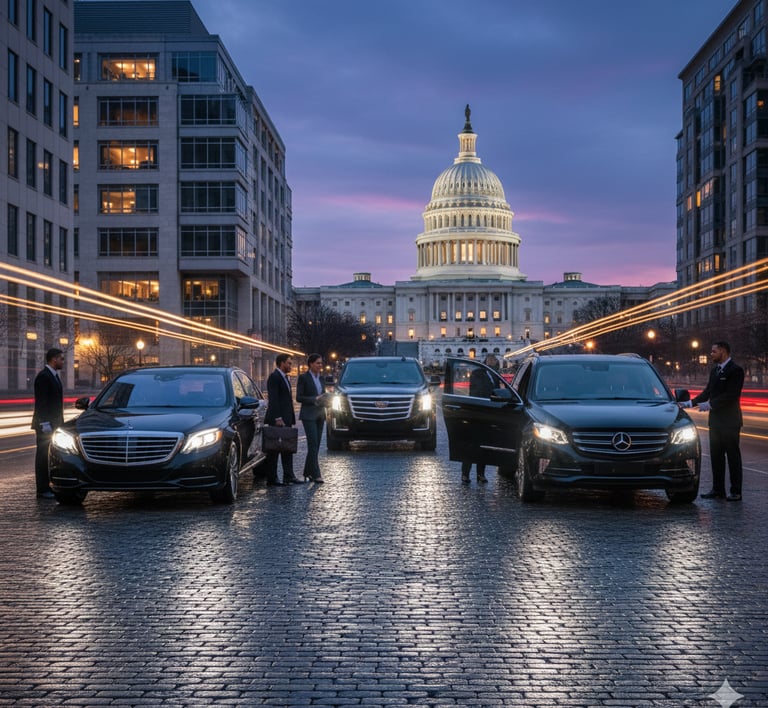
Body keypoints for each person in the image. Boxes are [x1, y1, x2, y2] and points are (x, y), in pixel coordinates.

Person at [683, 341, 744, 501]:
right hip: (715, 421)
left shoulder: (736, 371)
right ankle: (718, 490)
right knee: (716, 457)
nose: (711, 354)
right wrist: (689, 403)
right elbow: (708, 392)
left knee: (733, 457)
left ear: (723, 351)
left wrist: (710, 404)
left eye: (714, 351)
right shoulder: (715, 371)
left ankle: (736, 491)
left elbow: (732, 395)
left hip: (730, 422)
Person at [31, 348, 65, 499]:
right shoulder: (44, 377)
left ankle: (47, 486)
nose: (62, 361)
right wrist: (44, 423)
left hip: (53, 424)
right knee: (43, 456)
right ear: (54, 359)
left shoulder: (52, 376)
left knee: (49, 455)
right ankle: (42, 488)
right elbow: (42, 403)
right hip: (46, 425)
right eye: (61, 359)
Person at [264, 353, 302, 486]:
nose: (290, 365)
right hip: (277, 419)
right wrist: (278, 417)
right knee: (274, 450)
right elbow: (274, 399)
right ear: (281, 363)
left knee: (287, 447)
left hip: (285, 418)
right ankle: (272, 478)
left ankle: (288, 476)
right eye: (288, 363)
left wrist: (290, 417)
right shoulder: (274, 377)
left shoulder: (284, 377)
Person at [461, 354, 500, 484]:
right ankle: (465, 474)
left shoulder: (494, 374)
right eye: (493, 360)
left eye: (495, 360)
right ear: (487, 360)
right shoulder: (477, 373)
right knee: (471, 445)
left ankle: (480, 474)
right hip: (477, 412)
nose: (495, 362)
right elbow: (476, 391)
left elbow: (497, 390)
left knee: (484, 446)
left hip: (489, 413)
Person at [296, 353, 327, 483]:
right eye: (317, 363)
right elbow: (299, 397)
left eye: (321, 363)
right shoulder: (303, 378)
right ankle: (316, 474)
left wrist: (326, 399)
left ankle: (307, 471)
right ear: (311, 364)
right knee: (313, 444)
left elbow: (322, 395)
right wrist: (315, 399)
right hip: (308, 415)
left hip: (320, 414)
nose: (320, 365)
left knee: (316, 445)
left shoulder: (322, 379)